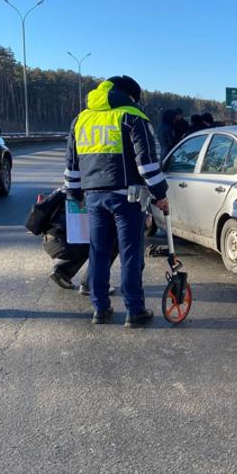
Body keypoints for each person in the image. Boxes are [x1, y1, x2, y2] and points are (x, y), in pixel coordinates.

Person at [64, 75, 168, 328]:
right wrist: (160, 193)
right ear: (129, 96)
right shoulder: (132, 116)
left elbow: (72, 163)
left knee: (98, 252)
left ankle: (100, 310)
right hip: (126, 197)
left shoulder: (81, 119)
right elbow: (146, 162)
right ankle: (135, 311)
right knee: (130, 254)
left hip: (93, 197)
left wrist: (73, 193)